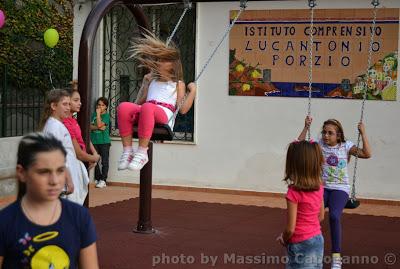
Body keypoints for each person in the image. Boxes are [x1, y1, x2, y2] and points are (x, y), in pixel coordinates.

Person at [0, 133, 99, 268]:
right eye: (43, 172)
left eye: (60, 171)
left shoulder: (79, 217)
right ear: (22, 173)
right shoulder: (5, 222)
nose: (54, 181)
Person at [298, 116, 372, 269]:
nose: (325, 135)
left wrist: (363, 133)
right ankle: (308, 249)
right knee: (312, 215)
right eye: (324, 132)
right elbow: (298, 146)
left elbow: (367, 154)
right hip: (322, 188)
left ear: (338, 135)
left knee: (334, 215)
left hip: (340, 188)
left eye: (330, 133)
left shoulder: (346, 146)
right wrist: (306, 127)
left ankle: (336, 257)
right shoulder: (319, 145)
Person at [117, 32, 196, 171]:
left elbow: (182, 109)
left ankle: (142, 152)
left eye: (163, 60)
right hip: (147, 110)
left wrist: (193, 92)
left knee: (148, 107)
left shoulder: (177, 84)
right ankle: (128, 151)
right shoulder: (152, 81)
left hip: (164, 115)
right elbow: (137, 104)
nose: (158, 62)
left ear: (172, 65)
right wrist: (144, 84)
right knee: (124, 107)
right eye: (158, 59)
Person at [277, 140, 325, 269]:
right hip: (317, 239)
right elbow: (321, 216)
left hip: (299, 242)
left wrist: (284, 238)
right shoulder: (319, 187)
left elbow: (290, 229)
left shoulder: (293, 193)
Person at [39, 89, 86, 205]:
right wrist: (69, 180)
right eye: (64, 104)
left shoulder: (57, 125)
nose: (68, 108)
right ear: (53, 106)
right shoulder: (54, 127)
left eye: (69, 104)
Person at [63, 82, 100, 189]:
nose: (80, 103)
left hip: (79, 162)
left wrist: (94, 152)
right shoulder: (66, 123)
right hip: (73, 163)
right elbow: (78, 152)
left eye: (79, 100)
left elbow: (82, 138)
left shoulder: (73, 120)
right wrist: (93, 157)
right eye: (76, 100)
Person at [90, 97, 111, 188]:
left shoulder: (106, 116)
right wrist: (98, 126)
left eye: (102, 105)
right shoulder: (93, 115)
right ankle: (98, 178)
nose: (100, 107)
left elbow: (100, 126)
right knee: (95, 160)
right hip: (94, 141)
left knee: (104, 162)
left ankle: (103, 180)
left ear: (106, 107)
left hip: (104, 142)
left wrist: (98, 115)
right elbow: (90, 126)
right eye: (99, 105)